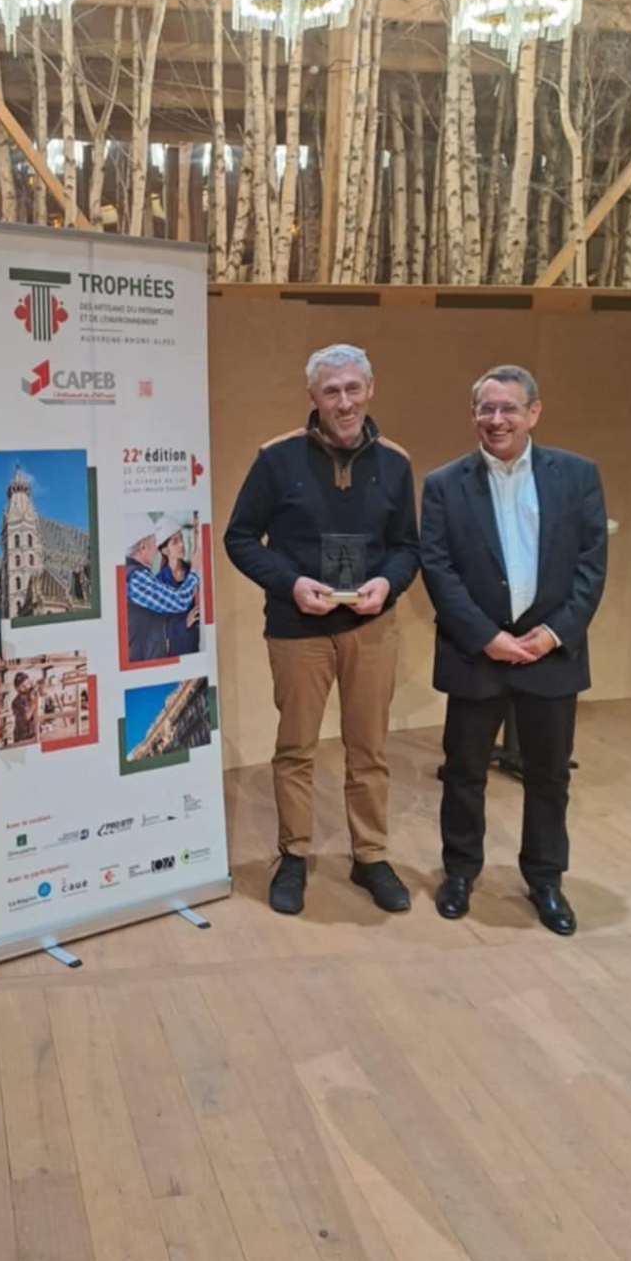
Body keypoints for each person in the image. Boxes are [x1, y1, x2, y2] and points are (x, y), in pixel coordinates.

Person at [224, 343, 420, 917]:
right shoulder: (276, 459)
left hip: (372, 626)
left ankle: (371, 856)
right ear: (312, 396)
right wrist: (290, 584)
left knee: (369, 749)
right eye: (331, 391)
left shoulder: (396, 462)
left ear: (370, 389)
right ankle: (293, 855)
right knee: (296, 749)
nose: (344, 402)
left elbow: (408, 547)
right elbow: (240, 538)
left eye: (353, 388)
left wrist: (387, 583)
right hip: (297, 629)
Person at [419, 364, 608, 936]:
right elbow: (439, 569)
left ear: (534, 413)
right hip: (476, 653)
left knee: (548, 776)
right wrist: (487, 637)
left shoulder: (577, 475)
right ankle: (460, 872)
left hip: (552, 653)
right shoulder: (443, 484)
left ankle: (545, 879)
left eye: (509, 408)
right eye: (486, 408)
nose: (496, 419)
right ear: (473, 414)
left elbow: (591, 564)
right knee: (463, 772)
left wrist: (554, 633)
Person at [124, 530, 200, 663]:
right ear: (143, 547)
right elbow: (179, 601)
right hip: (147, 661)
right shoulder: (137, 578)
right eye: (154, 543)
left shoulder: (144, 577)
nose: (156, 549)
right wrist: (195, 570)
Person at [158, 516, 201, 658]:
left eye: (181, 538)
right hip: (178, 650)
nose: (182, 544)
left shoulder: (194, 572)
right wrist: (185, 623)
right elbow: (159, 627)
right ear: (165, 551)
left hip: (199, 644)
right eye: (175, 542)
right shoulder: (159, 582)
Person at [11, 672, 38, 744]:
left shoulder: (31, 696)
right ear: (17, 688)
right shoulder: (17, 701)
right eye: (23, 686)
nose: (27, 687)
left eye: (28, 683)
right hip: (23, 738)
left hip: (34, 734)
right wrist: (35, 702)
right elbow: (27, 716)